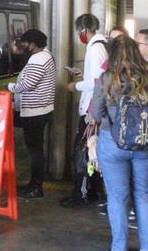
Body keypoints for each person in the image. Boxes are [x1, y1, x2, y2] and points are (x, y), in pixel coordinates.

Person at [88, 35, 148, 251]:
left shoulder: (107, 78)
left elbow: (95, 113)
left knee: (118, 197)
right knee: (144, 194)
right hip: (145, 143)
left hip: (112, 143)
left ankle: (119, 249)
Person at [63, 13, 108, 207]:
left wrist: (76, 85)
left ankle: (81, 194)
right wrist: (83, 74)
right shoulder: (101, 45)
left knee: (82, 152)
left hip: (92, 109)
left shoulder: (96, 48)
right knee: (91, 151)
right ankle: (94, 191)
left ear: (83, 30)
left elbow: (97, 82)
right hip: (95, 107)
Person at [8, 29, 56, 200]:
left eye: (26, 43)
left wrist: (11, 88)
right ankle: (34, 184)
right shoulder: (46, 55)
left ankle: (36, 187)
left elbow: (28, 84)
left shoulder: (38, 58)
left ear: (34, 43)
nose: (25, 46)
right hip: (42, 109)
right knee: (36, 148)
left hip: (35, 112)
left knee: (35, 150)